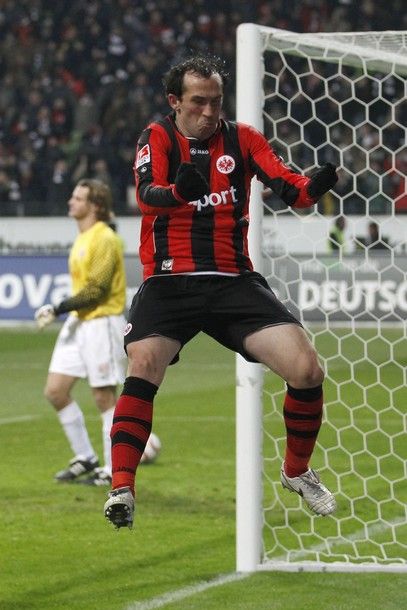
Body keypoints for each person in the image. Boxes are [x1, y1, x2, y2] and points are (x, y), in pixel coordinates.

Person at [104, 55, 338, 529]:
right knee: (144, 363)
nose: (210, 112)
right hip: (170, 281)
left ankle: (296, 471)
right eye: (199, 102)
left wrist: (313, 188)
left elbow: (287, 186)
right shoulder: (158, 137)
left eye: (216, 102)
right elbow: (147, 194)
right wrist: (179, 194)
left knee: (307, 369)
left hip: (233, 280)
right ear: (175, 102)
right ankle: (122, 487)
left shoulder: (243, 138)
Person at [34, 179, 159, 486]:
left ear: (96, 206)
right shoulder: (83, 238)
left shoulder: (105, 238)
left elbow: (98, 289)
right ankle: (85, 457)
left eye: (78, 198)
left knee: (104, 397)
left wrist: (57, 307)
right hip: (80, 323)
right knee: (55, 391)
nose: (70, 202)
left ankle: (112, 470)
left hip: (102, 323)